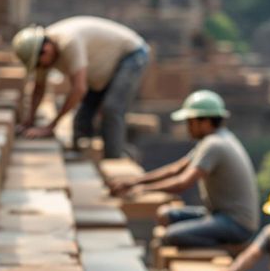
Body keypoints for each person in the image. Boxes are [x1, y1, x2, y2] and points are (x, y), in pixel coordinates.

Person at [109, 90, 259, 248]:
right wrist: (133, 182)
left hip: (236, 224)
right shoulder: (212, 140)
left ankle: (226, 248)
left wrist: (144, 189)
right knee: (164, 216)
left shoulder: (214, 145)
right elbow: (176, 169)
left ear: (206, 122)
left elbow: (183, 183)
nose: (188, 128)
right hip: (217, 214)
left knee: (172, 236)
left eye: (190, 122)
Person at [11, 17, 150, 154]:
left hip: (132, 55)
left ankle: (115, 160)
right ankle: (83, 152)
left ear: (46, 49)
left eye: (39, 64)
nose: (40, 68)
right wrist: (28, 121)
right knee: (82, 121)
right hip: (101, 68)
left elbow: (79, 88)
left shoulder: (68, 42)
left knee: (111, 109)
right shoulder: (43, 52)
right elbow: (39, 88)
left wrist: (50, 126)